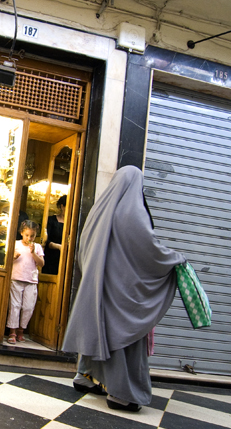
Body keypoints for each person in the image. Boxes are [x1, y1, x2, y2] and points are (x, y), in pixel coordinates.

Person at [62, 166, 184, 412]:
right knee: (123, 335)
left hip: (96, 286)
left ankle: (84, 377)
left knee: (98, 330)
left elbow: (84, 250)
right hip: (121, 290)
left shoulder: (99, 210)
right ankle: (121, 394)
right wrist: (174, 258)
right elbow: (148, 248)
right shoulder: (132, 211)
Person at [5, 220, 44, 344]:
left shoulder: (37, 247)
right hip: (16, 278)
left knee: (28, 307)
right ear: (22, 233)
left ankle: (22, 330)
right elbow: (6, 260)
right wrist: (13, 256)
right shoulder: (15, 244)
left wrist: (33, 253)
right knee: (15, 306)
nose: (29, 238)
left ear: (35, 236)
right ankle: (12, 332)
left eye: (32, 236)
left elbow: (41, 263)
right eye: (27, 235)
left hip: (31, 280)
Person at [42, 195, 67, 275]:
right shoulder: (51, 220)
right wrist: (58, 246)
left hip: (65, 259)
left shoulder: (72, 224)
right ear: (62, 206)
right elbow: (45, 240)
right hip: (51, 257)